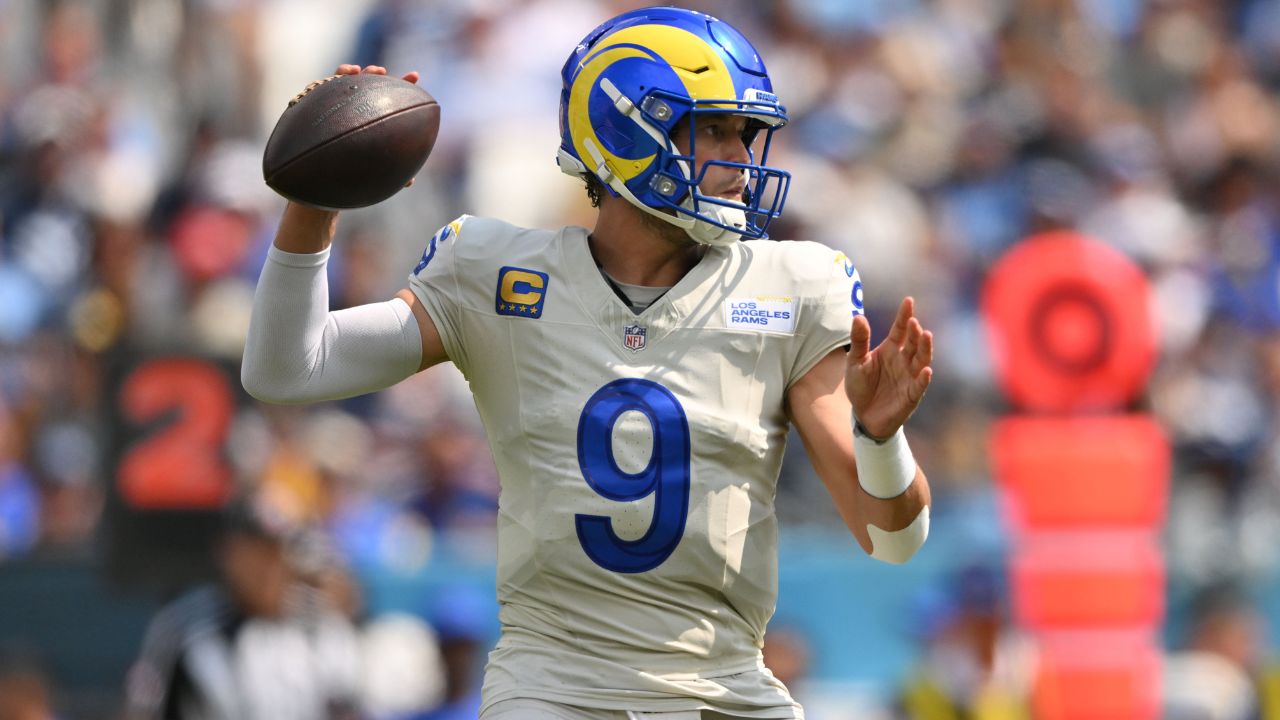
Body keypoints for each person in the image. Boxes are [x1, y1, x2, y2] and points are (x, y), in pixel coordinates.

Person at [241, 7, 934, 718]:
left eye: (745, 132)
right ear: (624, 129)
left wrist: (881, 439)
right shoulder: (495, 273)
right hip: (552, 689)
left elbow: (894, 540)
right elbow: (288, 368)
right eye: (714, 129)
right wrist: (312, 201)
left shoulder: (791, 286)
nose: (742, 159)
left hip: (722, 688)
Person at [123, 493, 363, 720]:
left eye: (276, 552)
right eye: (256, 553)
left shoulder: (321, 629)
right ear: (227, 553)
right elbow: (143, 712)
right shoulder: (185, 627)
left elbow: (346, 709)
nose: (268, 568)